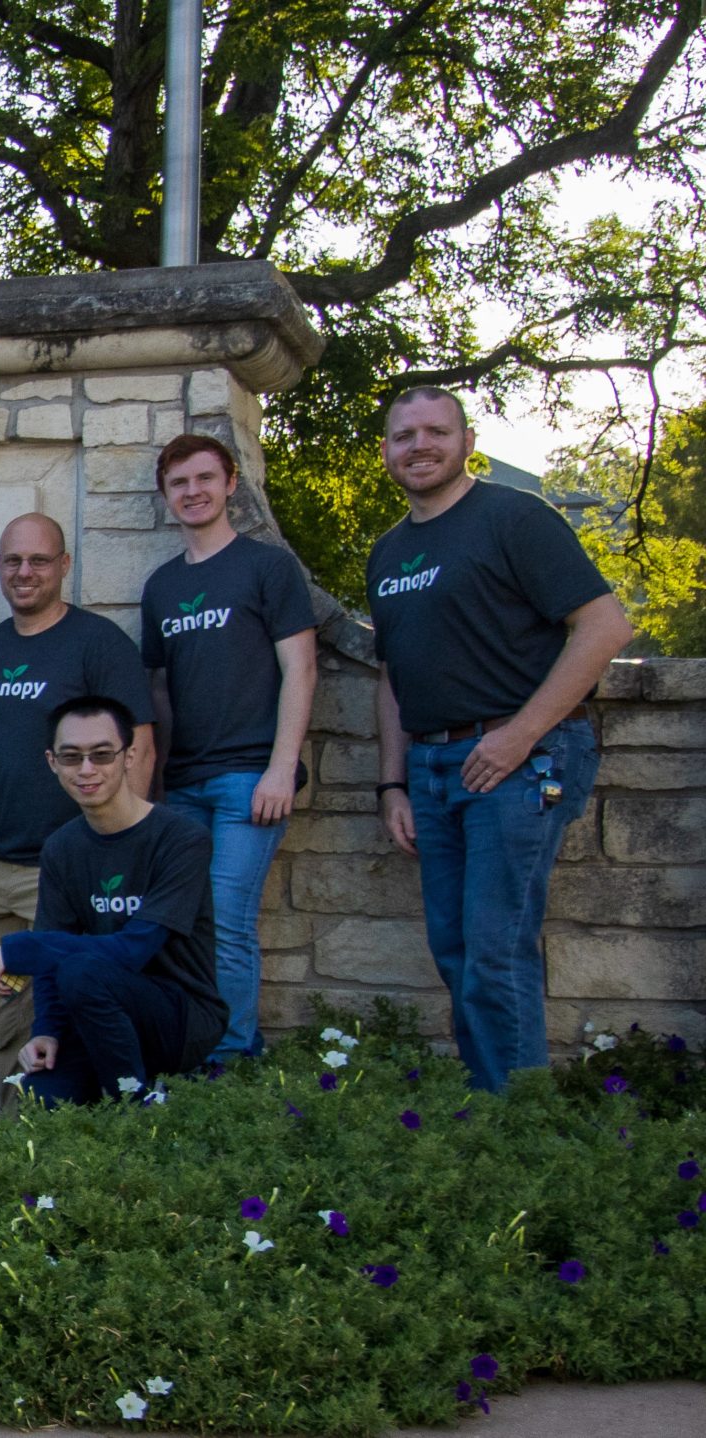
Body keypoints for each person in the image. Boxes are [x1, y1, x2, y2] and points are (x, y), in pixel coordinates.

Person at [367, 387, 632, 1092]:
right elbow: (392, 676)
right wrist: (392, 782)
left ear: (465, 440)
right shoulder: (388, 552)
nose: (419, 446)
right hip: (430, 767)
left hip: (521, 762)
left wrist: (520, 735)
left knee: (495, 948)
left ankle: (520, 1121)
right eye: (403, 436)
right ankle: (495, 1106)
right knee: (455, 950)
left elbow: (605, 627)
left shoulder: (515, 518)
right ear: (387, 450)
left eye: (435, 432)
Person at [0, 514, 156, 1089]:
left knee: (66, 1014)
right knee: (4, 1016)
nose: (25, 572)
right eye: (13, 561)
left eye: (39, 560)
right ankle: (21, 1143)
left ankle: (67, 1149)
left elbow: (140, 751)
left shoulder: (98, 644)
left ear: (65, 566)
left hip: (64, 871)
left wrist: (121, 851)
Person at [139, 436, 316, 1065]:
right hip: (183, 785)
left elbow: (301, 670)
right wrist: (152, 783)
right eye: (180, 483)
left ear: (230, 484)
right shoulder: (161, 587)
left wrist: (280, 768)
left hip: (249, 779)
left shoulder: (266, 568)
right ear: (165, 497)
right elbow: (158, 692)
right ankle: (191, 1047)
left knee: (228, 921)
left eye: (205, 478)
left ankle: (233, 1057)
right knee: (184, 922)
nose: (193, 492)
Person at [0, 696, 226, 1105]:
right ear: (51, 762)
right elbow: (57, 946)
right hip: (93, 1012)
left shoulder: (181, 839)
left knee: (82, 970)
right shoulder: (62, 847)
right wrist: (48, 1030)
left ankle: (132, 1110)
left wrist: (20, 948)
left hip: (179, 1018)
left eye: (102, 755)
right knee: (43, 1099)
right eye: (72, 757)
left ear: (129, 757)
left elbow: (134, 949)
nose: (87, 769)